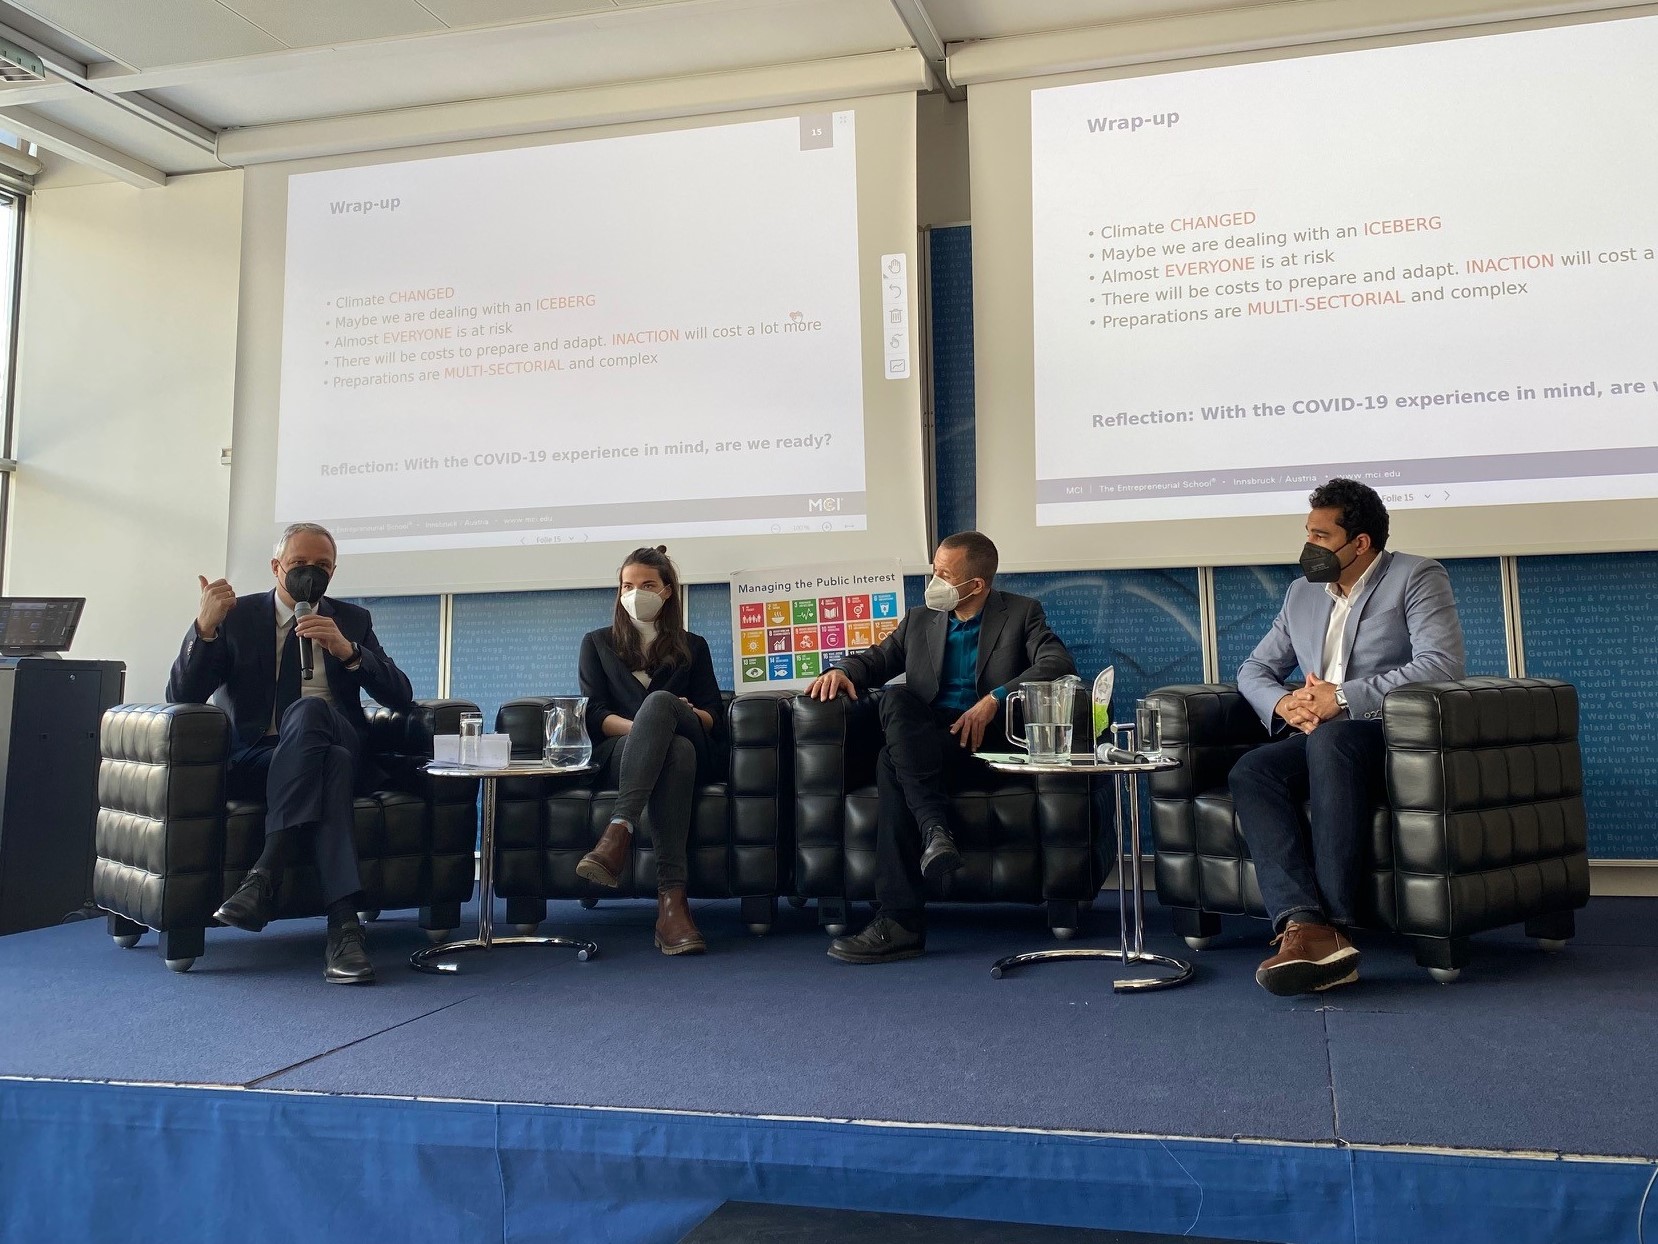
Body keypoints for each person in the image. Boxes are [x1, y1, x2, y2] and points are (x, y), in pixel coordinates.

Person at [1232, 478, 1465, 996]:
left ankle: (1334, 926)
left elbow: (1441, 665)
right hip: (1320, 734)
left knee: (1330, 743)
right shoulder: (1301, 593)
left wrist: (1342, 697)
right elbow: (1254, 669)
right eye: (1308, 534)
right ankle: (1303, 921)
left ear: (1359, 543)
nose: (1309, 547)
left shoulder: (1416, 576)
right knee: (1254, 769)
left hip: (1388, 735)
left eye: (1320, 535)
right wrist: (1284, 703)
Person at [804, 530, 1076, 963]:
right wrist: (844, 671)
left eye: (943, 575)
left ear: (975, 585)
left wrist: (994, 699)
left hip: (987, 747)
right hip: (931, 742)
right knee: (895, 701)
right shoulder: (920, 619)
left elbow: (1057, 663)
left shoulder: (1022, 613)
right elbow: (877, 659)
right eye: (934, 570)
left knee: (890, 763)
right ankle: (934, 833)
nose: (933, 582)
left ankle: (902, 921)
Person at [167, 522, 415, 985]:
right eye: (301, 564)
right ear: (277, 567)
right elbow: (184, 693)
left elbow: (402, 696)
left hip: (338, 735)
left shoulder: (352, 620)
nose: (311, 574)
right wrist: (204, 628)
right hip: (258, 759)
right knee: (330, 764)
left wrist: (347, 650)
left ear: (334, 573)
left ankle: (265, 875)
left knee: (312, 715)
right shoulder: (237, 617)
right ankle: (344, 928)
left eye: (323, 566)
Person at [574, 546, 724, 955]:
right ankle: (672, 904)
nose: (635, 593)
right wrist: (649, 730)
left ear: (667, 591)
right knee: (673, 751)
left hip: (694, 735)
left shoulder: (694, 645)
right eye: (627, 585)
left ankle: (618, 831)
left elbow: (713, 714)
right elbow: (596, 714)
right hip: (623, 751)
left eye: (647, 585)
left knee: (662, 705)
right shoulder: (597, 643)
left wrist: (677, 712)